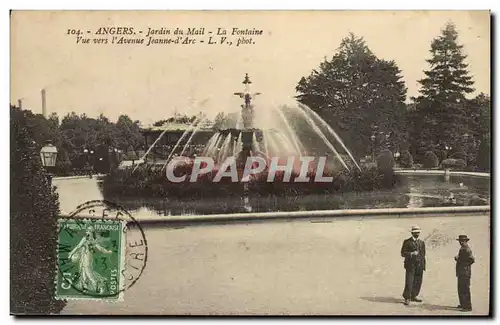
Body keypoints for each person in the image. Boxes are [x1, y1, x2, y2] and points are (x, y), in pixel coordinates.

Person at [400, 225, 426, 305]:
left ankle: (414, 296)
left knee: (418, 281)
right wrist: (411, 253)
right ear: (412, 233)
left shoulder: (422, 242)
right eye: (415, 232)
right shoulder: (407, 242)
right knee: (409, 281)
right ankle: (407, 297)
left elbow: (423, 254)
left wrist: (423, 265)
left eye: (418, 232)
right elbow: (402, 253)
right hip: (410, 265)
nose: (417, 234)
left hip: (419, 265)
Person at [455, 235, 475, 312]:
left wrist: (459, 260)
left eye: (462, 240)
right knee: (461, 288)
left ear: (466, 241)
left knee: (465, 289)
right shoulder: (463, 248)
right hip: (462, 272)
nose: (461, 242)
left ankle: (467, 307)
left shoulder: (467, 249)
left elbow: (472, 260)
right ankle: (463, 304)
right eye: (460, 240)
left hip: (465, 273)